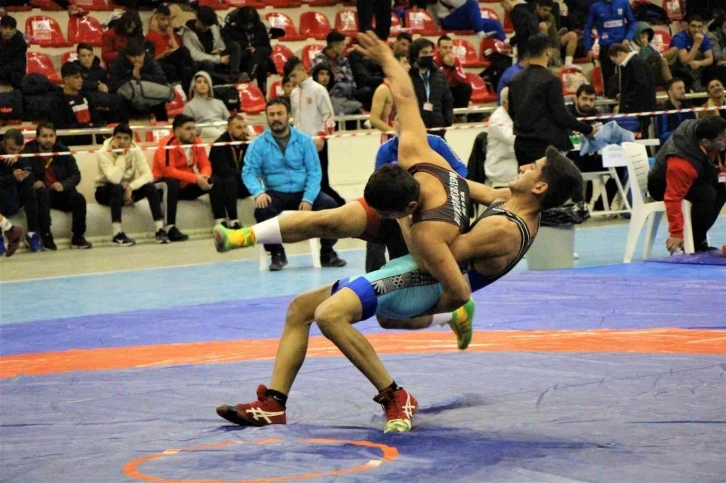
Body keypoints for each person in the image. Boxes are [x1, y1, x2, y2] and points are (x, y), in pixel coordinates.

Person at [214, 30, 585, 435]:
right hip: (424, 245)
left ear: (540, 188)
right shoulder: (495, 194)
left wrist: (419, 269)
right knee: (299, 308)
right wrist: (387, 59)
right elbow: (408, 100)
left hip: (426, 275)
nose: (526, 165)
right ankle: (274, 404)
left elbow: (449, 280)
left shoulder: (499, 230)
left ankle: (395, 395)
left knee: (329, 315)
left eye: (533, 168)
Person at [220, 32, 476, 324]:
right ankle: (245, 235)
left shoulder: (431, 147)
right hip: (390, 211)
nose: (400, 124)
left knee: (387, 316)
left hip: (418, 223)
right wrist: (388, 60)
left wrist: (503, 198)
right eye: (396, 120)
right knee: (329, 220)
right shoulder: (392, 149)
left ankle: (452, 317)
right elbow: (404, 101)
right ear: (392, 122)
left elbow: (465, 184)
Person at [235, 97, 346, 271]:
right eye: (271, 114)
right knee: (262, 210)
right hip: (275, 193)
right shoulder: (258, 144)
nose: (276, 118)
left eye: (280, 113)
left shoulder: (304, 140)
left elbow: (315, 172)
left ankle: (327, 252)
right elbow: (248, 172)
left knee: (330, 206)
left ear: (289, 115)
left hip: (304, 192)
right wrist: (258, 192)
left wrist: (308, 198)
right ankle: (277, 253)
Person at [508, 34, 596, 165]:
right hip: (546, 146)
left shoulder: (515, 79)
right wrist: (588, 129)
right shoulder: (551, 80)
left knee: (526, 178)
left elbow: (512, 112)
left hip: (521, 145)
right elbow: (561, 115)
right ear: (547, 52)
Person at [647, 117, 726, 254]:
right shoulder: (681, 163)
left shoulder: (705, 131)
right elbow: (673, 197)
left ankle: (696, 237)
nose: (725, 140)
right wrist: (676, 232)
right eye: (722, 139)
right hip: (662, 185)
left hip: (695, 174)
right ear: (705, 142)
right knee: (707, 194)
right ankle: (695, 241)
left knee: (722, 189)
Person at [94, 124, 169, 246]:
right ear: (113, 138)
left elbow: (148, 175)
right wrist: (122, 155)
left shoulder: (135, 149)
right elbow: (114, 179)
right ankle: (117, 234)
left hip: (126, 190)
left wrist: (131, 187)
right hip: (104, 191)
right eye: (118, 138)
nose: (122, 142)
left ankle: (160, 229)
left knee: (150, 186)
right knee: (117, 187)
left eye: (126, 138)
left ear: (131, 140)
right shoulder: (103, 152)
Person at [152, 115, 223, 241]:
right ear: (177, 131)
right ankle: (170, 227)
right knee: (171, 183)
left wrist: (204, 177)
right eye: (188, 129)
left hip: (185, 185)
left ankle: (220, 223)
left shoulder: (197, 141)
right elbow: (167, 171)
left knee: (214, 180)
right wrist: (196, 178)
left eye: (193, 128)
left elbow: (205, 164)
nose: (193, 132)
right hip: (162, 186)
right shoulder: (167, 143)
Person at [285, 56, 344, 207]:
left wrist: (323, 138)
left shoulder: (318, 90)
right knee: (305, 183)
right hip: (300, 146)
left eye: (293, 75)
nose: (292, 80)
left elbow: (329, 116)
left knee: (321, 183)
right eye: (290, 77)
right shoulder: (294, 94)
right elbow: (296, 120)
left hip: (317, 143)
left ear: (301, 69)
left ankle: (341, 206)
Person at [22, 123, 92, 249]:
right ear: (37, 138)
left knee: (79, 199)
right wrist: (33, 182)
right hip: (40, 193)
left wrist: (63, 185)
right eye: (44, 136)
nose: (48, 139)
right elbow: (24, 172)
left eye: (51, 136)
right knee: (42, 193)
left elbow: (76, 175)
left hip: (59, 192)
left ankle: (78, 237)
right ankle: (46, 235)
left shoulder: (63, 151)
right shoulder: (28, 152)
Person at [0, 129, 42, 252]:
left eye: (18, 150)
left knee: (34, 190)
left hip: (15, 198)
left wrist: (19, 160)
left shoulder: (21, 155)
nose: (15, 153)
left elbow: (30, 175)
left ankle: (32, 234)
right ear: (3, 144)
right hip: (2, 196)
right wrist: (13, 178)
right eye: (11, 149)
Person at [108, 39, 170, 122]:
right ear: (128, 56)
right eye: (133, 56)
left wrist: (141, 76)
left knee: (159, 98)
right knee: (117, 99)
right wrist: (132, 77)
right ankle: (123, 127)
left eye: (139, 55)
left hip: (148, 96)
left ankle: (163, 126)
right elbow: (113, 86)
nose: (137, 59)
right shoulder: (119, 63)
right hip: (128, 100)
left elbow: (162, 79)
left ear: (144, 54)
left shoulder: (149, 60)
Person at [583, 0, 636, 96]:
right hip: (606, 48)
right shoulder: (595, 7)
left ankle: (628, 98)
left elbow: (632, 22)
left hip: (622, 46)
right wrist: (588, 47)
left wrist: (628, 38)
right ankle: (609, 98)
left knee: (627, 76)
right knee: (608, 80)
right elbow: (587, 28)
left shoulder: (623, 3)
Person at [209, 114, 252, 229]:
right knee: (223, 180)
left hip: (242, 184)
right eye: (239, 128)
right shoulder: (219, 145)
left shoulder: (248, 145)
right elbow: (222, 170)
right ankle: (226, 220)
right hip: (224, 184)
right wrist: (243, 174)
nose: (243, 131)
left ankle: (233, 221)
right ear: (229, 129)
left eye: (244, 127)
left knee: (231, 180)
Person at [181, 6, 244, 83]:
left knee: (234, 45)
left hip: (217, 55)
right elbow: (194, 55)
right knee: (208, 64)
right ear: (198, 19)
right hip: (203, 61)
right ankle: (225, 79)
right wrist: (218, 59)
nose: (207, 28)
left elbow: (220, 43)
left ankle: (234, 76)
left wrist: (219, 51)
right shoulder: (187, 33)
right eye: (204, 25)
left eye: (208, 26)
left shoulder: (212, 26)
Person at [145, 4, 195, 95]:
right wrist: (163, 55)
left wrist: (171, 36)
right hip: (160, 62)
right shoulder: (151, 36)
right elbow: (149, 60)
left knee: (186, 68)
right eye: (163, 19)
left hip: (175, 63)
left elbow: (179, 53)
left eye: (168, 19)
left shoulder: (174, 34)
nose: (166, 22)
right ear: (157, 19)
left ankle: (187, 92)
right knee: (181, 56)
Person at [409, 38, 453, 139]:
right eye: (425, 53)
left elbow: (447, 99)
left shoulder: (439, 74)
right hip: (415, 129)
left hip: (437, 129)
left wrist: (447, 120)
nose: (429, 55)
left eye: (430, 52)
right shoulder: (407, 76)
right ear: (415, 55)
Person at [221, 6, 273, 92]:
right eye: (247, 23)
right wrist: (247, 52)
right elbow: (231, 50)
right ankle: (245, 79)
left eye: (251, 23)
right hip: (238, 60)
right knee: (260, 60)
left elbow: (268, 49)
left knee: (263, 62)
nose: (249, 26)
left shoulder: (260, 27)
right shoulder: (231, 28)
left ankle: (261, 92)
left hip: (255, 59)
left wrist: (256, 50)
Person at [608, 44, 656, 136]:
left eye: (615, 61)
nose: (616, 64)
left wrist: (626, 98)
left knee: (641, 136)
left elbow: (641, 86)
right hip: (639, 109)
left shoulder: (635, 63)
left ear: (620, 54)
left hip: (639, 110)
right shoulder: (636, 62)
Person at [74, 43, 128, 126]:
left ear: (93, 56)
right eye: (83, 56)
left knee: (120, 100)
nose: (87, 58)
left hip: (101, 96)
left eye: (89, 55)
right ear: (78, 57)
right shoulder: (74, 70)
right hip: (84, 97)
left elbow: (108, 83)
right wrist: (96, 85)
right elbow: (76, 84)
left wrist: (107, 87)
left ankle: (122, 126)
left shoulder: (100, 70)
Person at [53, 62, 101, 146]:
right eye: (77, 77)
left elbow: (96, 120)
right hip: (71, 144)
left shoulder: (86, 97)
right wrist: (84, 127)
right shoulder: (57, 101)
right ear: (66, 80)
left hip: (92, 140)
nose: (81, 80)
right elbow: (60, 127)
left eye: (81, 77)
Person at [369, 53, 410, 143]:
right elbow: (374, 119)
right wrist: (395, 133)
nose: (409, 67)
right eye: (405, 63)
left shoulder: (403, 89)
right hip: (390, 140)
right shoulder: (383, 90)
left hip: (404, 139)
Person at [670, 14, 714, 92]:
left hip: (698, 67)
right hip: (682, 69)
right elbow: (684, 61)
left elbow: (710, 59)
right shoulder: (679, 38)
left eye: (699, 27)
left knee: (714, 70)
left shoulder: (704, 37)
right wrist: (696, 44)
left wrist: (699, 63)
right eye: (693, 26)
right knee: (686, 76)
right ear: (687, 26)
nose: (696, 29)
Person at [311, 31, 358, 103]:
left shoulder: (343, 60)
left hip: (344, 92)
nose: (344, 46)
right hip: (325, 93)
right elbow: (317, 82)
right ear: (334, 46)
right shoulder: (319, 60)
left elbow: (351, 81)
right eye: (342, 44)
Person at [182, 71, 230, 140]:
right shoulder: (189, 106)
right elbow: (187, 127)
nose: (202, 84)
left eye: (205, 82)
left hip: (223, 129)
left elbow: (230, 121)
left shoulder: (219, 103)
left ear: (209, 85)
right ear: (194, 85)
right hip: (204, 134)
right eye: (199, 82)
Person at [486, 87, 518, 187]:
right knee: (531, 172)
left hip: (511, 161)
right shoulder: (497, 119)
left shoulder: (513, 115)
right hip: (499, 166)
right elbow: (513, 140)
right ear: (505, 103)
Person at [434, 36, 473, 110]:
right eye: (445, 48)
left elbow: (464, 79)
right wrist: (445, 67)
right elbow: (437, 82)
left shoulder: (455, 60)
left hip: (451, 90)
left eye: (450, 47)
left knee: (466, 87)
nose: (448, 50)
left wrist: (453, 68)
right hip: (439, 91)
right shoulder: (433, 61)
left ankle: (460, 114)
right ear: (438, 48)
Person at [434, 0, 506, 40]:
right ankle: (480, 32)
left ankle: (506, 43)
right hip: (448, 21)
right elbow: (459, 4)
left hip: (460, 19)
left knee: (494, 23)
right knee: (472, 3)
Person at [535, 0, 578, 67]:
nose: (547, 13)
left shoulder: (550, 17)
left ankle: (568, 64)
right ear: (537, 6)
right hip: (537, 45)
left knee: (572, 35)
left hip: (551, 43)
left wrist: (556, 51)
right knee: (543, 26)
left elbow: (554, 36)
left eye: (549, 10)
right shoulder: (531, 16)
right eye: (544, 10)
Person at [632, 21, 673, 89]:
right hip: (638, 77)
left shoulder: (649, 46)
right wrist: (644, 47)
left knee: (664, 60)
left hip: (652, 74)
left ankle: (672, 86)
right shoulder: (630, 47)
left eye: (647, 34)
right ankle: (672, 86)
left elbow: (658, 55)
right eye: (643, 33)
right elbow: (641, 64)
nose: (645, 36)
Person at [655, 78, 696, 145]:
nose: (683, 91)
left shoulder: (688, 109)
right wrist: (681, 133)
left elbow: (694, 129)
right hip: (669, 146)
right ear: (670, 92)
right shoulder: (663, 110)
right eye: (679, 88)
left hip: (688, 145)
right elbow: (662, 136)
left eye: (683, 88)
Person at [0, 15, 26, 90]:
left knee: (16, 76)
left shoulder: (20, 42)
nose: (8, 31)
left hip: (11, 65)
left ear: (15, 30)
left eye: (11, 29)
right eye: (5, 28)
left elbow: (17, 63)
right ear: (0, 28)